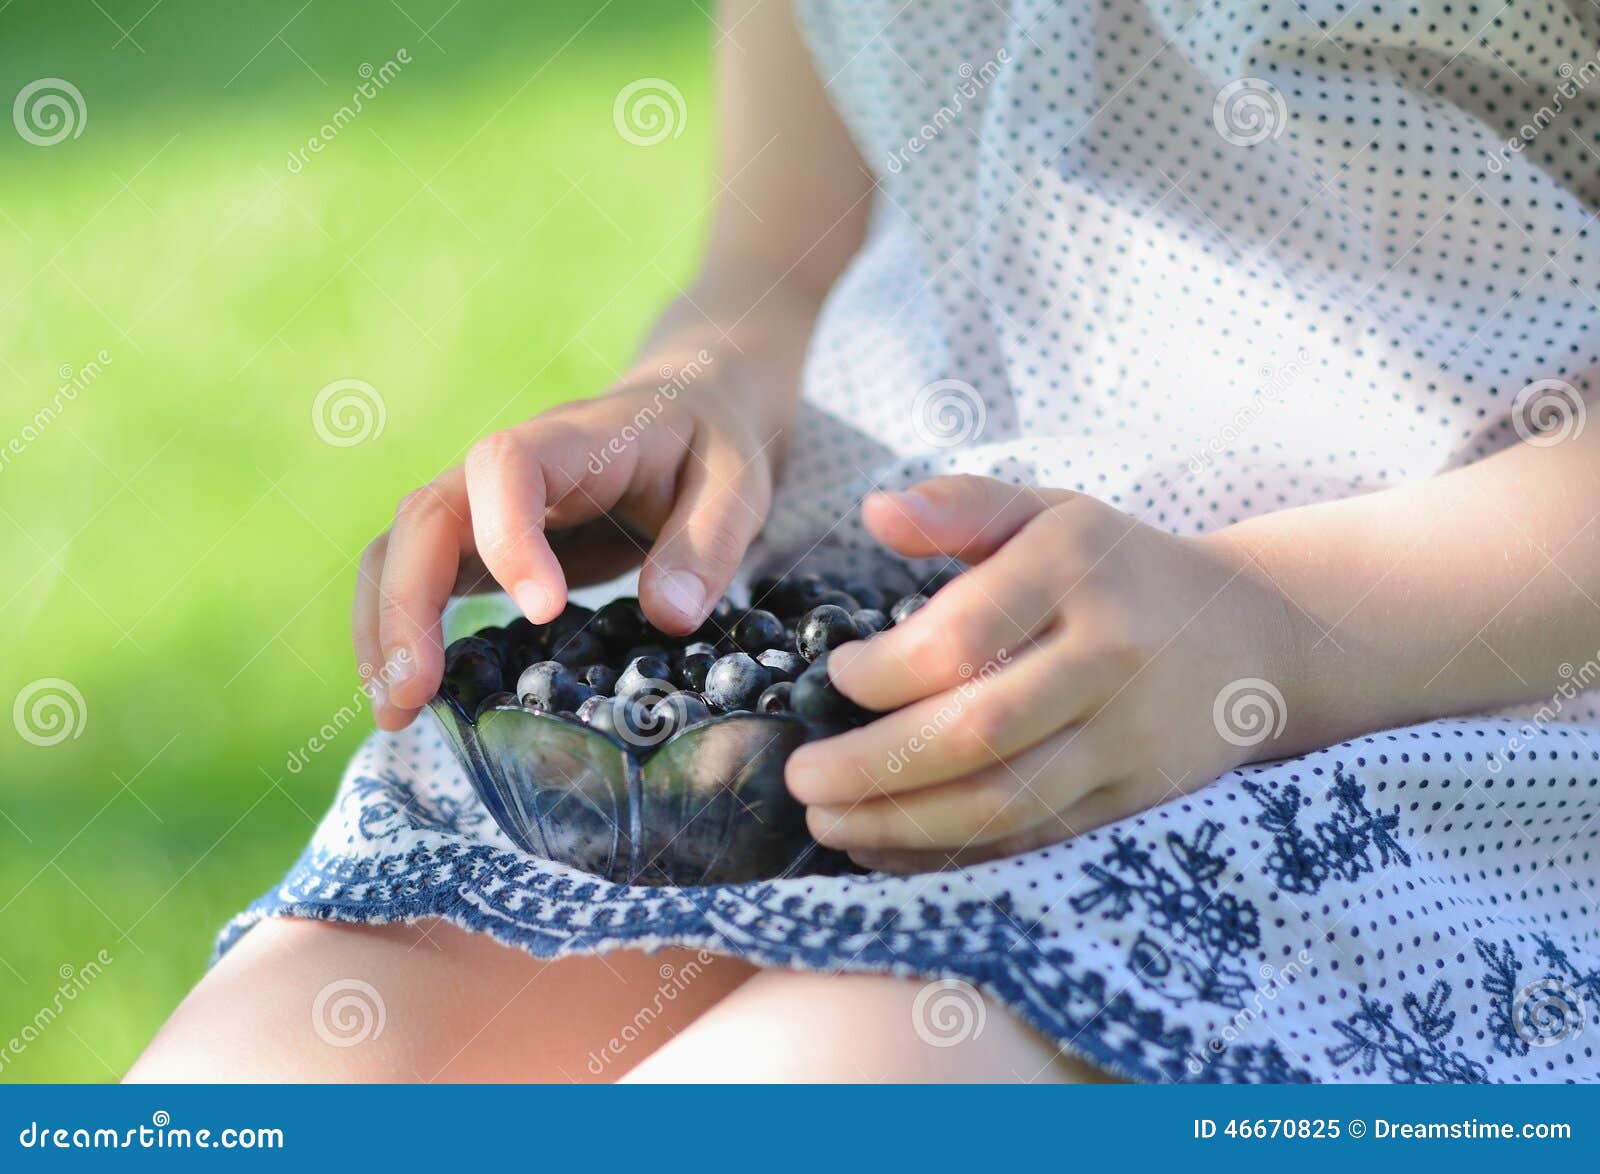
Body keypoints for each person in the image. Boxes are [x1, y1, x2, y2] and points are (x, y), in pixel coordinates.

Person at [130, 0, 1600, 1082]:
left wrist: (1271, 627)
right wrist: (691, 398)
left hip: (1445, 682)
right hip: (838, 640)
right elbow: (782, 253)